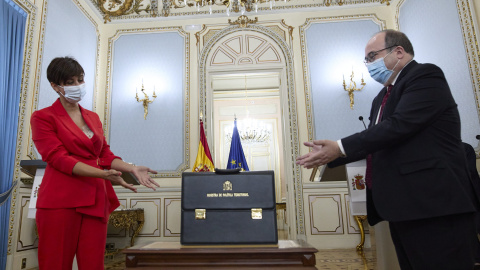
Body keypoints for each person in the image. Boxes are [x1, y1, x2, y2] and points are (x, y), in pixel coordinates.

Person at [296, 30, 479, 269]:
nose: (369, 64)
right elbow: (378, 141)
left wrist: (340, 147)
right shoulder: (381, 97)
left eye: (372, 56)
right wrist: (329, 154)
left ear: (399, 52)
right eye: (367, 60)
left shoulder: (425, 76)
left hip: (434, 205)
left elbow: (399, 126)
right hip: (403, 207)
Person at [30, 56, 160, 270]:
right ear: (55, 86)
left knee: (93, 264)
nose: (77, 86)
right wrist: (102, 175)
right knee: (55, 263)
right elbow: (58, 158)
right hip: (61, 200)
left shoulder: (92, 117)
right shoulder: (43, 117)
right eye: (69, 82)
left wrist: (131, 168)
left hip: (95, 197)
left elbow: (105, 155)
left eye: (80, 80)